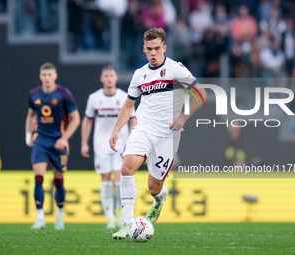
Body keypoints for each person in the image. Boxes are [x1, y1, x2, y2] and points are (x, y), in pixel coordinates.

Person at [109, 27, 207, 239]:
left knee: (154, 187)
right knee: (126, 167)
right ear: (144, 49)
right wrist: (116, 130)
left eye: (157, 49)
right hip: (143, 128)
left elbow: (202, 94)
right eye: (149, 49)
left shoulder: (176, 70)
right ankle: (127, 224)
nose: (153, 53)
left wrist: (183, 118)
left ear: (164, 47)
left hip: (168, 135)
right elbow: (128, 106)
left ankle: (159, 200)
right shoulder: (139, 74)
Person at [25, 62, 80, 230]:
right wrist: (28, 135)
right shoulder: (34, 94)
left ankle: (59, 217)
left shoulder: (64, 94)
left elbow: (75, 119)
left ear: (55, 76)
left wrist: (64, 138)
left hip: (58, 142)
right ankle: (40, 218)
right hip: (41, 141)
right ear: (40, 76)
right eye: (44, 75)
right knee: (38, 178)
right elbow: (31, 115)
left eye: (50, 75)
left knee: (58, 181)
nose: (47, 78)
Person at [81, 65, 137, 229]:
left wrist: (133, 138)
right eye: (106, 75)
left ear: (116, 78)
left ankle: (120, 215)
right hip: (101, 145)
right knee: (105, 180)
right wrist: (84, 143)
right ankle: (109, 219)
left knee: (119, 180)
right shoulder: (94, 98)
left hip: (121, 145)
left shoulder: (124, 97)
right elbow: (88, 120)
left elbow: (133, 119)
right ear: (102, 79)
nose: (109, 78)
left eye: (111, 75)